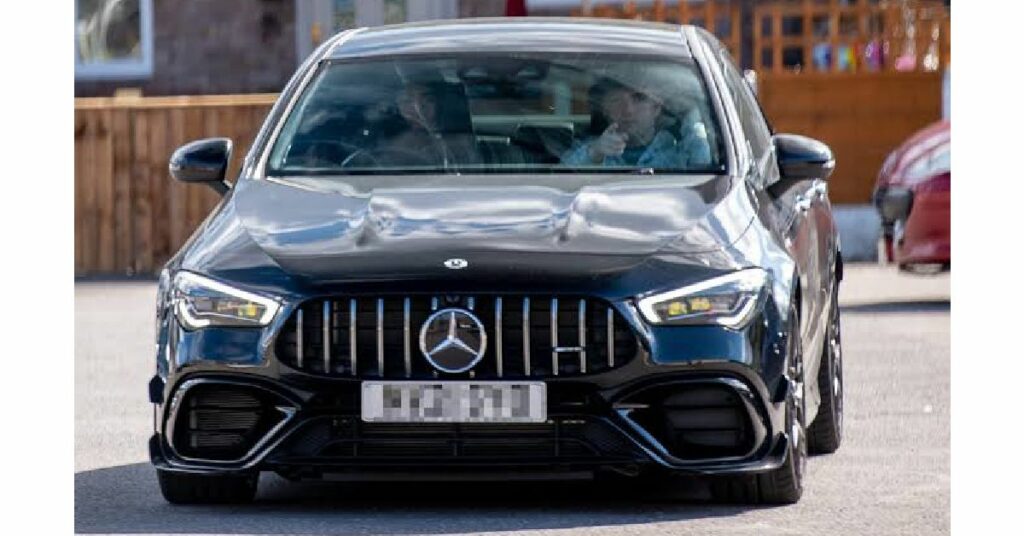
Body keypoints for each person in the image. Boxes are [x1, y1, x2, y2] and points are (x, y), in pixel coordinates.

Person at [561, 78, 711, 169]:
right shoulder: (588, 150)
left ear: (656, 108)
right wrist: (595, 152)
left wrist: (690, 115)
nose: (628, 110)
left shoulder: (681, 152)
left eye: (639, 99)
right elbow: (562, 179)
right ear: (605, 111)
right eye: (616, 101)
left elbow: (706, 168)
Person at [375, 82, 481, 167]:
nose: (419, 109)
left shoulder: (464, 142)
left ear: (439, 103)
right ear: (398, 107)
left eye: (428, 100)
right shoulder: (392, 147)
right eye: (407, 101)